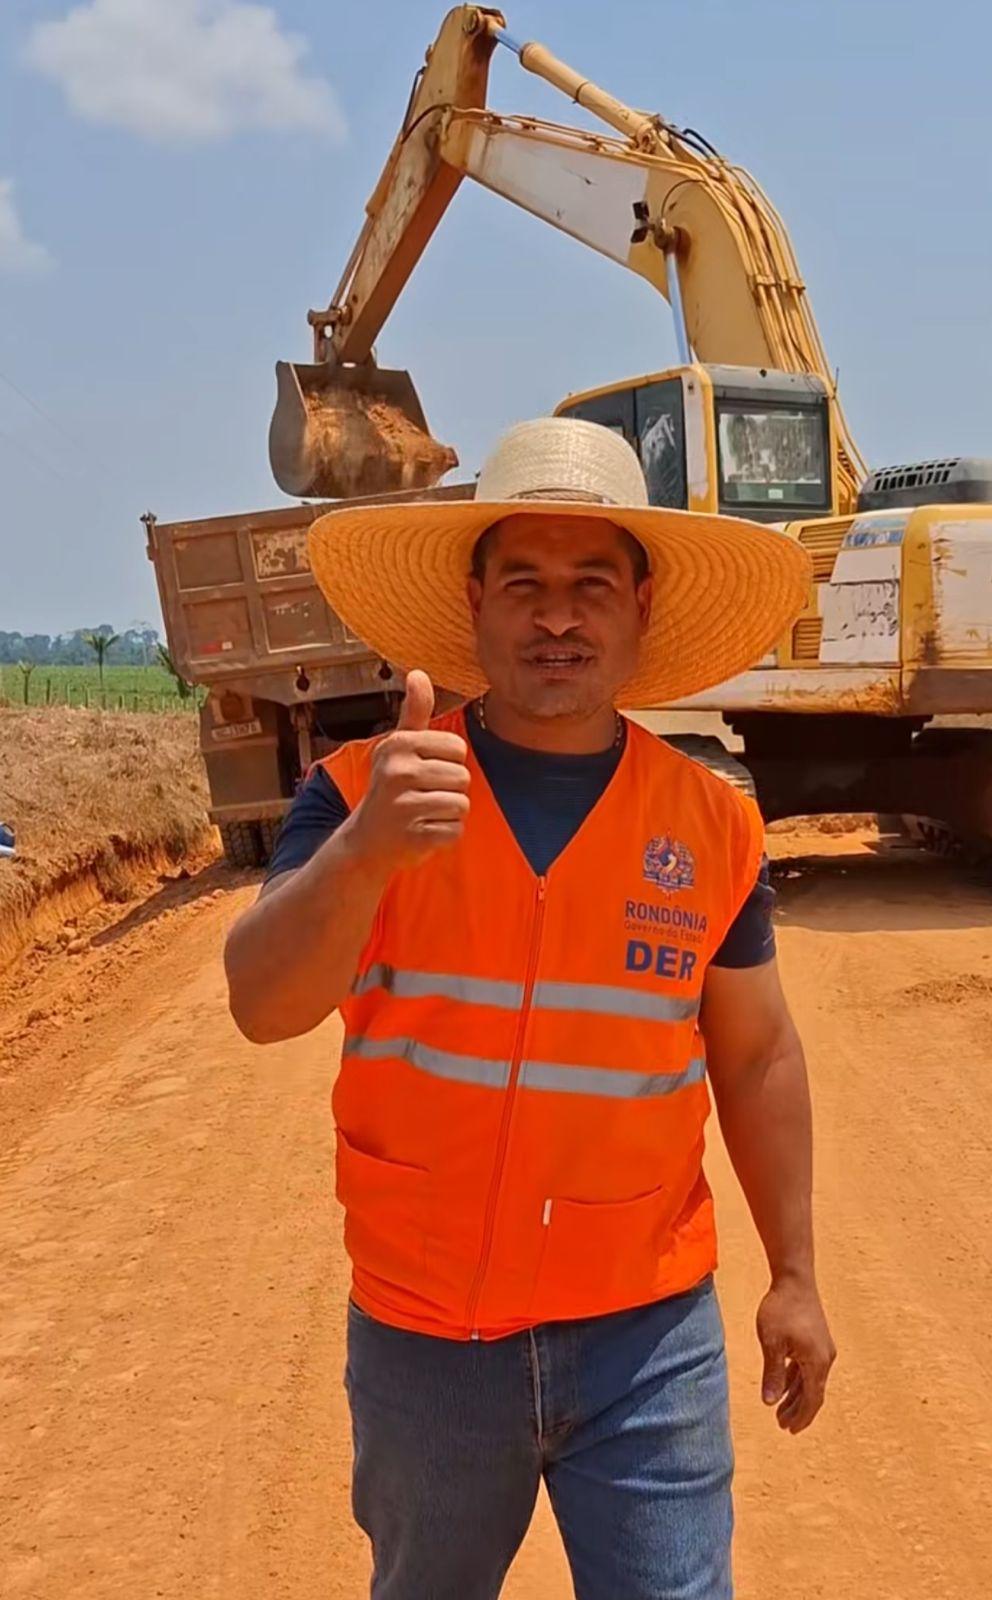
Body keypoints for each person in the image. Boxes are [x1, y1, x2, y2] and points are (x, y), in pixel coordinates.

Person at [224, 417, 835, 1599]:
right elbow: (262, 1003)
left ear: (640, 606)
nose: (558, 615)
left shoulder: (710, 823)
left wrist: (796, 1271)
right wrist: (364, 855)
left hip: (647, 1337)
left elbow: (756, 1057)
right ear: (477, 604)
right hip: (424, 1342)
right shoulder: (357, 791)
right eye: (526, 584)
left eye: (590, 584)